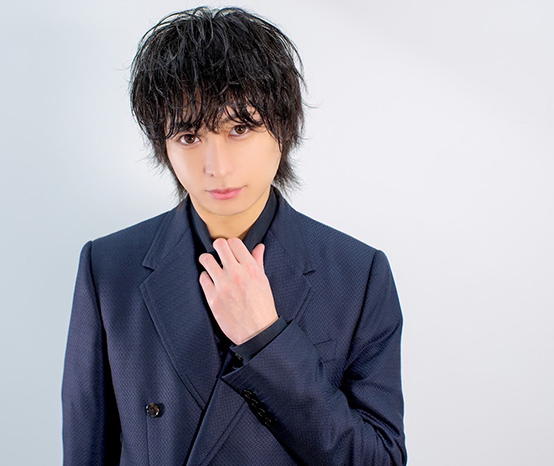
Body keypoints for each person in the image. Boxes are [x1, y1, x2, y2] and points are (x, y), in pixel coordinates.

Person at [62, 6, 407, 465]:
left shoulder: (357, 275)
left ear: (283, 128)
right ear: (163, 144)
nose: (217, 167)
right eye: (189, 136)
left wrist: (266, 342)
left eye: (239, 128)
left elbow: (380, 460)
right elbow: (87, 449)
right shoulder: (109, 267)